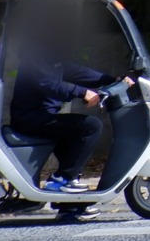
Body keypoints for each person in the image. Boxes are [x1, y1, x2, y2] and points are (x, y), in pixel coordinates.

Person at [7, 38, 120, 194]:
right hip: (31, 119)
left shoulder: (49, 55)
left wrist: (110, 80)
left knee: (73, 158)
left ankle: (73, 206)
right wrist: (82, 92)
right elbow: (49, 84)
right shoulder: (35, 54)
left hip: (40, 117)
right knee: (92, 126)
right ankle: (61, 179)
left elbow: (74, 71)